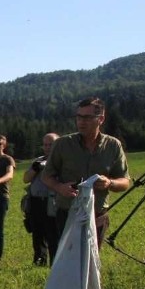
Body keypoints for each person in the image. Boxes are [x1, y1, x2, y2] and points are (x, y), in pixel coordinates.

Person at [42, 97, 130, 248]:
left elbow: (125, 181)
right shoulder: (62, 144)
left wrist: (109, 183)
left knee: (91, 264)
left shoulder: (113, 145)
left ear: (100, 119)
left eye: (87, 117)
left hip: (97, 215)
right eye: (79, 117)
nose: (81, 122)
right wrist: (60, 188)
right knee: (68, 263)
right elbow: (46, 176)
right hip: (68, 213)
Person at [23, 133, 60, 266]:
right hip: (35, 201)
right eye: (45, 144)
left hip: (52, 201)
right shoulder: (37, 160)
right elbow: (26, 179)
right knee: (37, 232)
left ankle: (55, 262)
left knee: (53, 233)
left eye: (51, 144)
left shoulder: (61, 160)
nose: (48, 147)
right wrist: (35, 169)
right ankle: (39, 260)